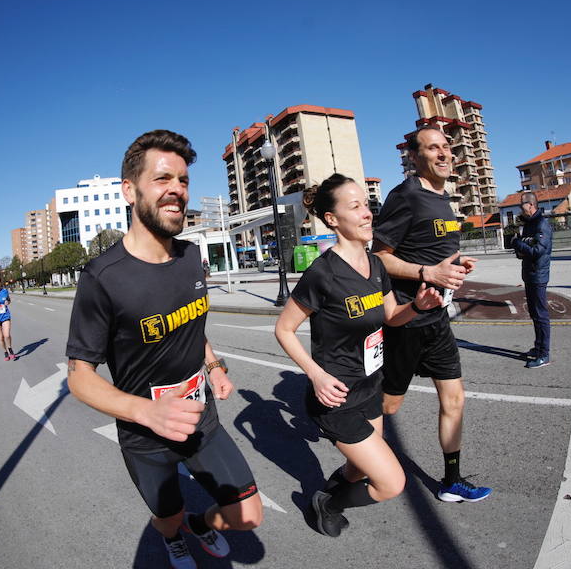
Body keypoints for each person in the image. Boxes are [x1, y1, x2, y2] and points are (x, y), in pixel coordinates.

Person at [66, 130, 262, 569]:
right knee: (166, 518)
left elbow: (193, 323)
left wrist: (214, 366)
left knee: (247, 516)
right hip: (145, 435)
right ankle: (175, 533)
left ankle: (200, 523)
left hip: (201, 419)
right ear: (129, 191)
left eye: (183, 180)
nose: (177, 189)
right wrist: (146, 412)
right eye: (162, 179)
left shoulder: (193, 257)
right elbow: (78, 376)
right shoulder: (103, 276)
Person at [275, 174, 442, 537]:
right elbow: (283, 330)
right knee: (391, 483)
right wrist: (315, 375)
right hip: (336, 397)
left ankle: (330, 491)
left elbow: (391, 317)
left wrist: (418, 304)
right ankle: (328, 504)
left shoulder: (376, 265)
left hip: (370, 388)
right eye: (355, 207)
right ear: (332, 219)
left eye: (366, 204)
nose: (367, 213)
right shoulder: (322, 274)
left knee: (358, 469)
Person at [371, 126, 492, 503]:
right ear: (415, 157)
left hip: (437, 318)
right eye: (432, 148)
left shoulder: (443, 199)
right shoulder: (405, 196)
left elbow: (432, 250)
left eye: (446, 147)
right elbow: (379, 258)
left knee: (454, 399)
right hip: (406, 319)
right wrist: (429, 273)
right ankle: (358, 453)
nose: (443, 154)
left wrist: (454, 264)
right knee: (389, 405)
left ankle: (451, 481)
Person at [513, 192, 553, 368]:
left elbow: (537, 251)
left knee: (541, 315)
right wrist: (520, 247)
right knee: (534, 314)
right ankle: (538, 348)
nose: (520, 208)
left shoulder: (541, 224)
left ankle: (544, 354)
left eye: (522, 205)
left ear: (531, 205)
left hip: (538, 276)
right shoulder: (528, 225)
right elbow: (524, 251)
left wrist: (517, 243)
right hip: (529, 274)